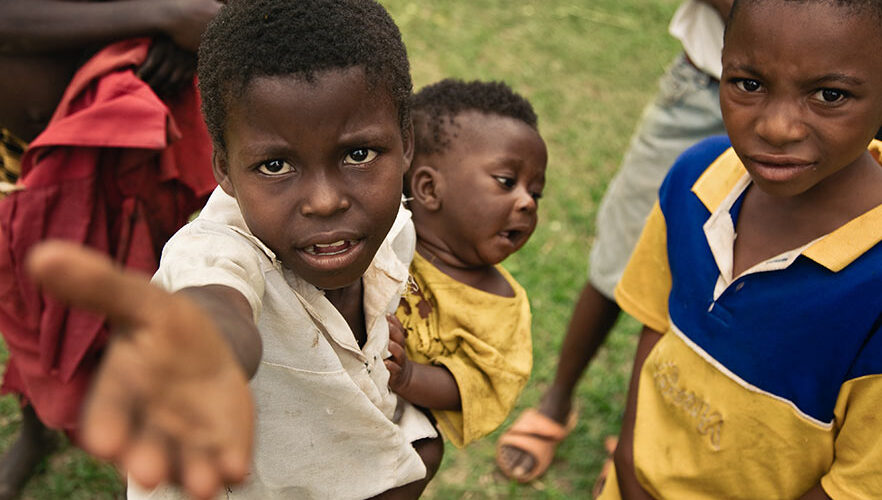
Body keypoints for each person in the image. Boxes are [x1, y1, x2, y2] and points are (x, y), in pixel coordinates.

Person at [27, 0, 447, 498]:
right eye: (275, 166)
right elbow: (215, 303)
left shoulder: (394, 228)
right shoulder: (215, 252)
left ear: (406, 143)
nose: (326, 200)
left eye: (358, 154)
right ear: (224, 169)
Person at [597, 0, 882, 497]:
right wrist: (627, 460)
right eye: (749, 84)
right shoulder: (696, 178)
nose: (776, 127)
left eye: (829, 95)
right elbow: (656, 326)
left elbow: (857, 484)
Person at [496, 0, 731, 483]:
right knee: (620, 259)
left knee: (727, 282)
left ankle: (649, 439)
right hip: (708, 84)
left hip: (834, 103)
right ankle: (559, 400)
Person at [0, 1, 220, 497]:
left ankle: (142, 448)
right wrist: (161, 17)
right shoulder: (159, 13)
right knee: (26, 304)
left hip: (132, 152)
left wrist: (185, 38)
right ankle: (39, 429)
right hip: (19, 163)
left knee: (132, 302)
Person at [386, 79, 547, 448]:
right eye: (507, 182)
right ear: (428, 189)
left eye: (535, 192)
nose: (528, 202)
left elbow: (474, 383)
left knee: (426, 452)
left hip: (392, 421)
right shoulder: (383, 234)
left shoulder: (499, 309)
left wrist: (408, 376)